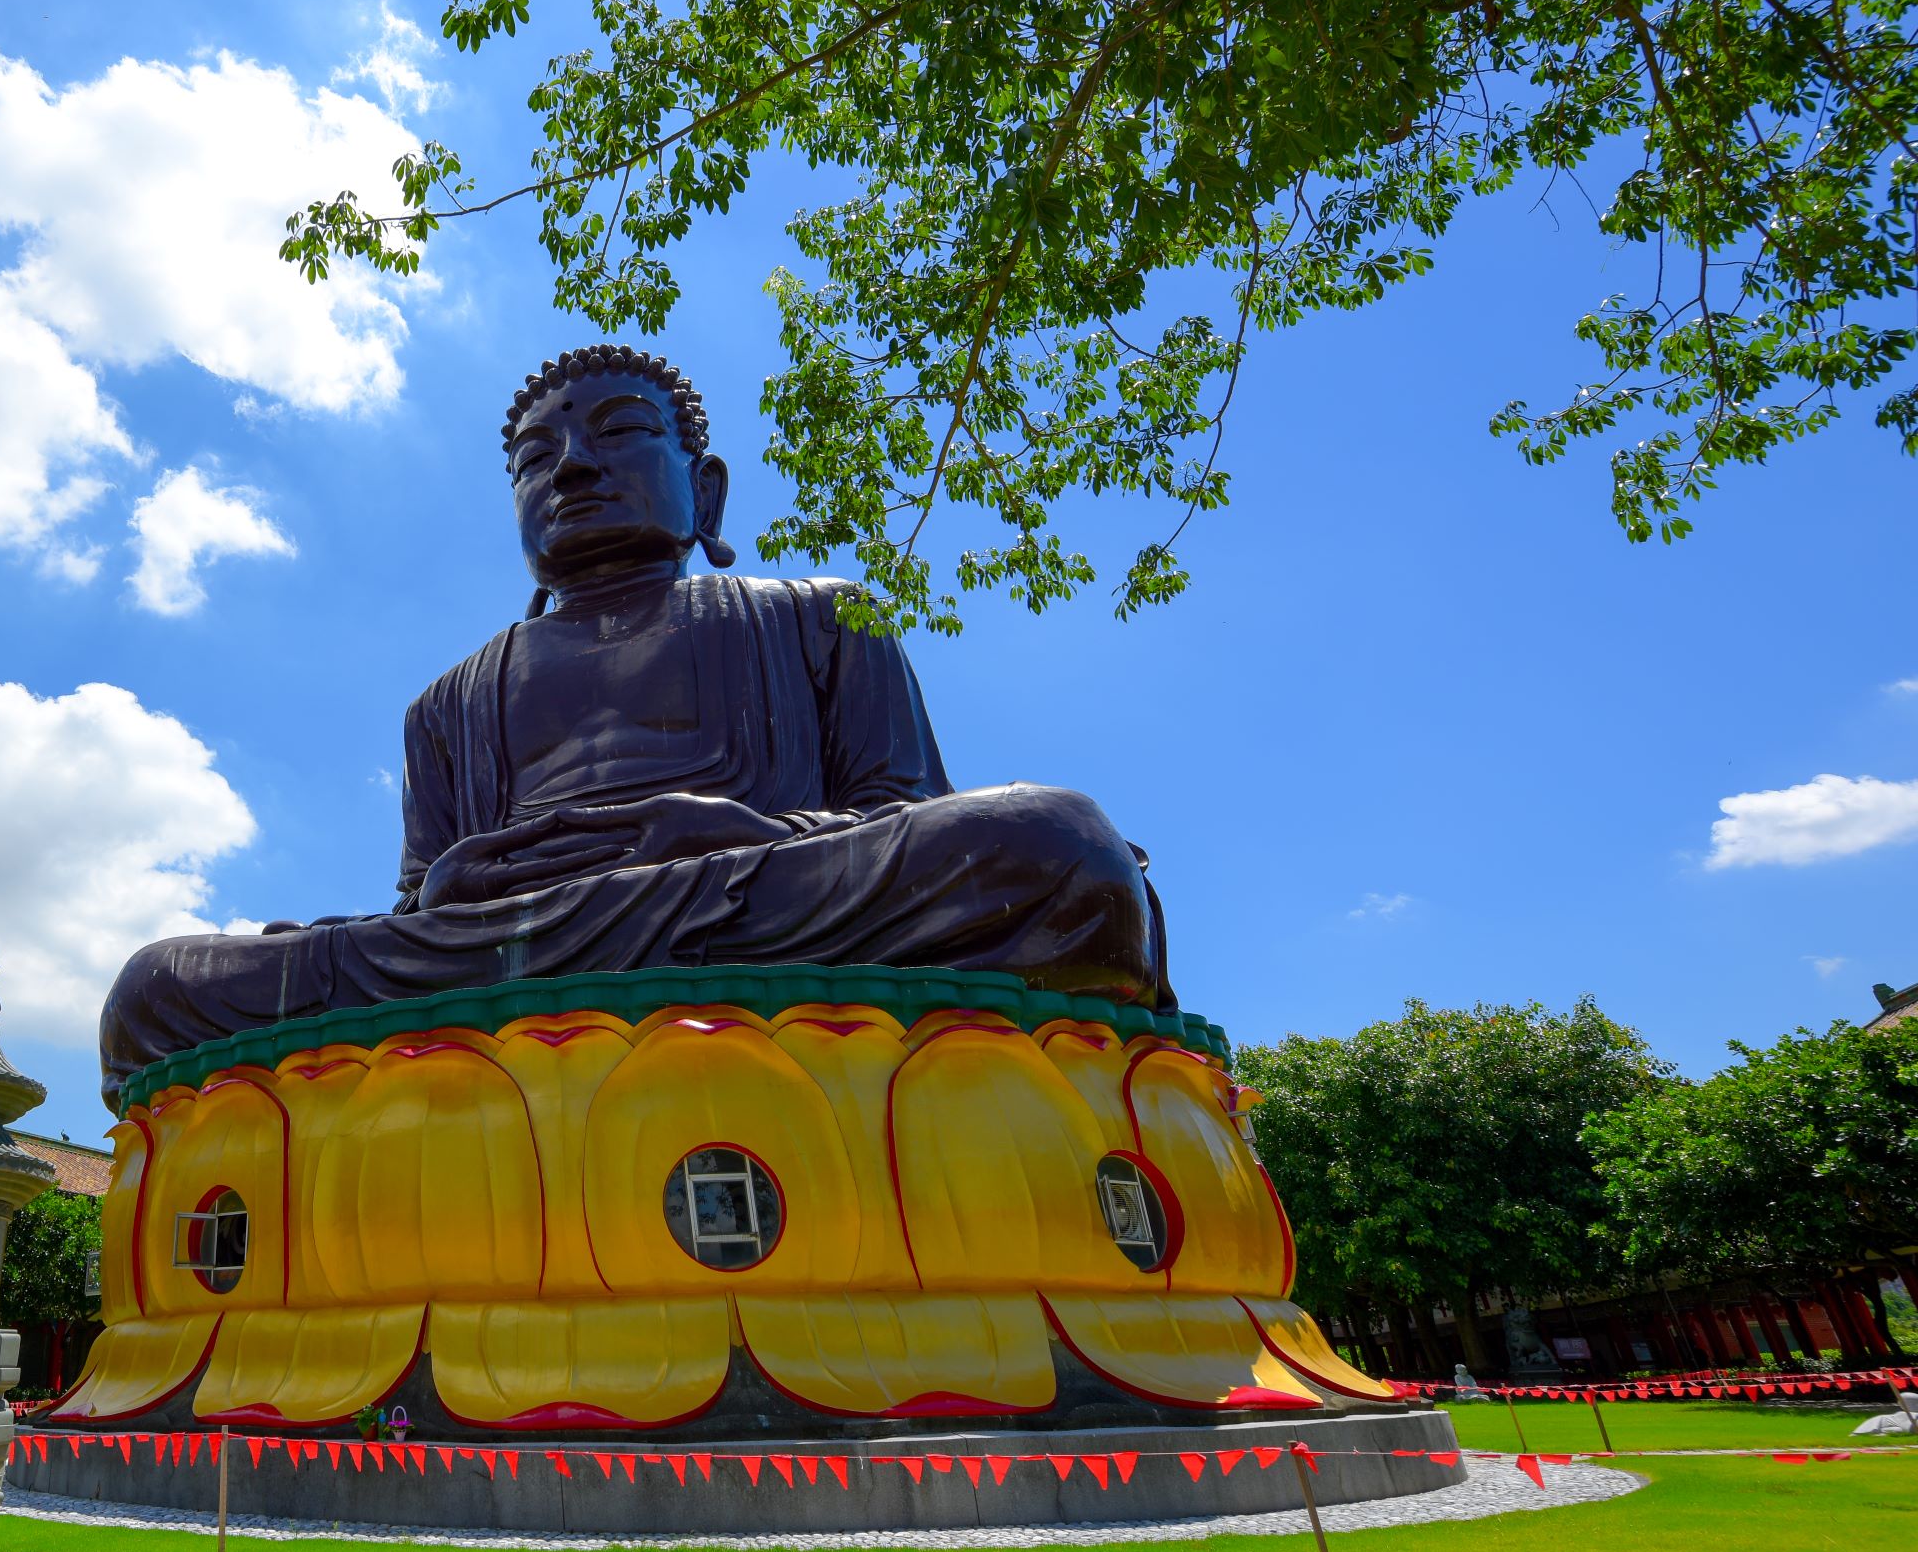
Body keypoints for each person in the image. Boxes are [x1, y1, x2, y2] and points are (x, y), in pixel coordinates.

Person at [100, 344, 1172, 1101]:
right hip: (506, 947)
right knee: (154, 989)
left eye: (616, 434)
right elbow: (415, 915)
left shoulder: (822, 616)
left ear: (705, 491)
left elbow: (898, 812)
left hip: (757, 899)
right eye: (535, 458)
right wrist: (455, 888)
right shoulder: (448, 706)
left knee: (1054, 846)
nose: (569, 466)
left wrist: (737, 834)